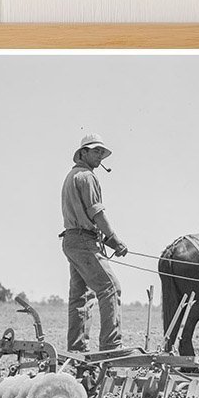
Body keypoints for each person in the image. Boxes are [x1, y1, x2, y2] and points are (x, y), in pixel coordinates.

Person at [59, 133, 129, 353]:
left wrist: (106, 240)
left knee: (81, 297)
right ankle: (111, 346)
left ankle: (77, 350)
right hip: (84, 242)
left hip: (72, 240)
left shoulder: (71, 177)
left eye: (102, 152)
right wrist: (115, 240)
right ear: (83, 153)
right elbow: (96, 213)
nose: (100, 155)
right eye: (96, 151)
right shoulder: (87, 177)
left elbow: (83, 217)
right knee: (110, 288)